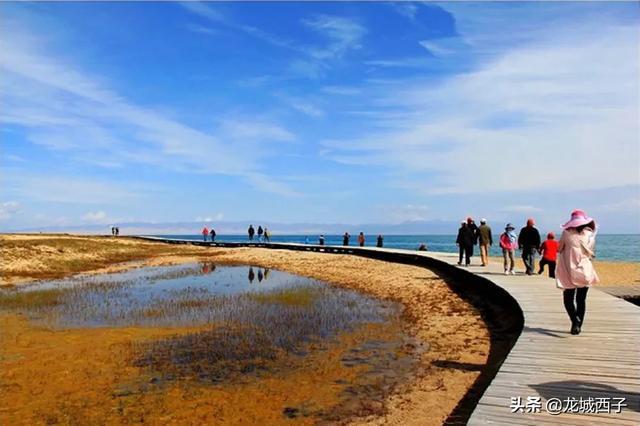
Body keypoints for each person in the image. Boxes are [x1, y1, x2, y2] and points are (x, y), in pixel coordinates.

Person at [555, 210, 599, 335]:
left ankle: (575, 320)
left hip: (569, 270)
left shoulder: (566, 233)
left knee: (568, 299)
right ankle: (578, 325)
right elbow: (591, 250)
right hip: (584, 269)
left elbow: (559, 248)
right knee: (581, 299)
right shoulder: (589, 235)